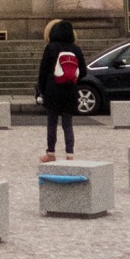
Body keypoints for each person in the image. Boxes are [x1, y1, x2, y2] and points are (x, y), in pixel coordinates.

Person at [36, 19, 87, 162]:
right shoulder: (76, 49)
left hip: (53, 90)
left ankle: (50, 153)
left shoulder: (51, 48)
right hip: (70, 90)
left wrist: (41, 90)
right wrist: (73, 80)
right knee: (68, 124)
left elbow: (43, 71)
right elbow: (83, 71)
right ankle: (70, 154)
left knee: (52, 123)